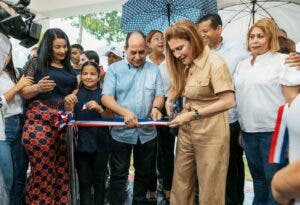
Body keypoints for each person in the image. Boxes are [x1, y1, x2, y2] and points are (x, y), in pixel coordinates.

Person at [164, 20, 235, 205]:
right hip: (187, 129)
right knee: (180, 183)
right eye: (173, 50)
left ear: (193, 40)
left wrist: (194, 114)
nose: (177, 54)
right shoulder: (185, 63)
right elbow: (181, 87)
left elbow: (228, 101)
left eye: (180, 48)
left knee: (210, 189)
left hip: (212, 132)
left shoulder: (215, 63)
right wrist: (169, 99)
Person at [234, 18, 298, 205]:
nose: (255, 41)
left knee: (274, 182)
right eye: (251, 37)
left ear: (271, 38)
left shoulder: (284, 61)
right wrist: (240, 129)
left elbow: (292, 101)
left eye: (260, 36)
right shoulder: (241, 65)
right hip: (248, 132)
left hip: (274, 132)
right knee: (258, 181)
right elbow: (241, 99)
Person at [101, 31, 164, 205]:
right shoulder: (114, 70)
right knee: (119, 174)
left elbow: (159, 95)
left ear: (147, 49)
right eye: (133, 52)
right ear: (125, 49)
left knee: (144, 174)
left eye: (141, 52)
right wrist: (124, 112)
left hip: (147, 133)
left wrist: (156, 107)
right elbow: (106, 97)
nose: (137, 57)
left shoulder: (154, 70)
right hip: (121, 133)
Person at [20, 28, 77, 204]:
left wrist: (72, 96)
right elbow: (22, 91)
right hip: (38, 123)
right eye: (57, 47)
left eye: (64, 47)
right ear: (47, 46)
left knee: (62, 170)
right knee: (42, 171)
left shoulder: (69, 67)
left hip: (62, 123)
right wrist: (38, 88)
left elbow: (75, 88)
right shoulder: (36, 63)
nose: (62, 51)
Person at [198, 13, 248, 205]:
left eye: (205, 31)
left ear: (218, 29)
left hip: (230, 119)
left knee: (233, 168)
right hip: (206, 121)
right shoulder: (198, 52)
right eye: (199, 32)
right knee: (211, 168)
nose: (202, 35)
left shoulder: (239, 50)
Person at [64, 61, 112, 205]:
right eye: (85, 73)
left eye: (92, 74)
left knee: (99, 181)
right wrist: (69, 105)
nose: (88, 77)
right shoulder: (75, 93)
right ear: (81, 76)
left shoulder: (104, 95)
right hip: (81, 145)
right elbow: (68, 117)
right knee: (84, 181)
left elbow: (110, 118)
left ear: (99, 76)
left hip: (101, 144)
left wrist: (100, 109)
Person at [0, 32, 33, 204]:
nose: (5, 54)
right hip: (6, 125)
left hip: (22, 122)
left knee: (21, 172)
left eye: (7, 51)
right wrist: (18, 87)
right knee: (8, 176)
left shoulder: (15, 72)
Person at [146, 29, 174, 205]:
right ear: (148, 44)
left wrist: (168, 103)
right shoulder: (145, 62)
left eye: (163, 38)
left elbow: (176, 85)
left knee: (166, 151)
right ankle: (151, 188)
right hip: (147, 109)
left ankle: (168, 187)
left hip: (167, 109)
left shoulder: (171, 62)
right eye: (156, 39)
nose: (160, 41)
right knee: (149, 151)